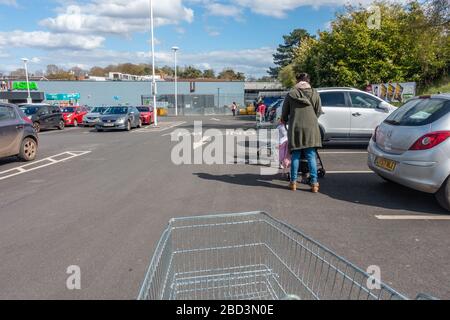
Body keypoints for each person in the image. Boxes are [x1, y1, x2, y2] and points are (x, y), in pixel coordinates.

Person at [281, 72, 322, 193]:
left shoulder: (291, 94)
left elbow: (284, 113)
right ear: (308, 81)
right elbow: (318, 111)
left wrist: (284, 120)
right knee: (311, 156)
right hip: (311, 128)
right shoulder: (315, 93)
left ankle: (293, 182)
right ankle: (314, 184)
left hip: (296, 128)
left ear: (297, 81)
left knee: (295, 155)